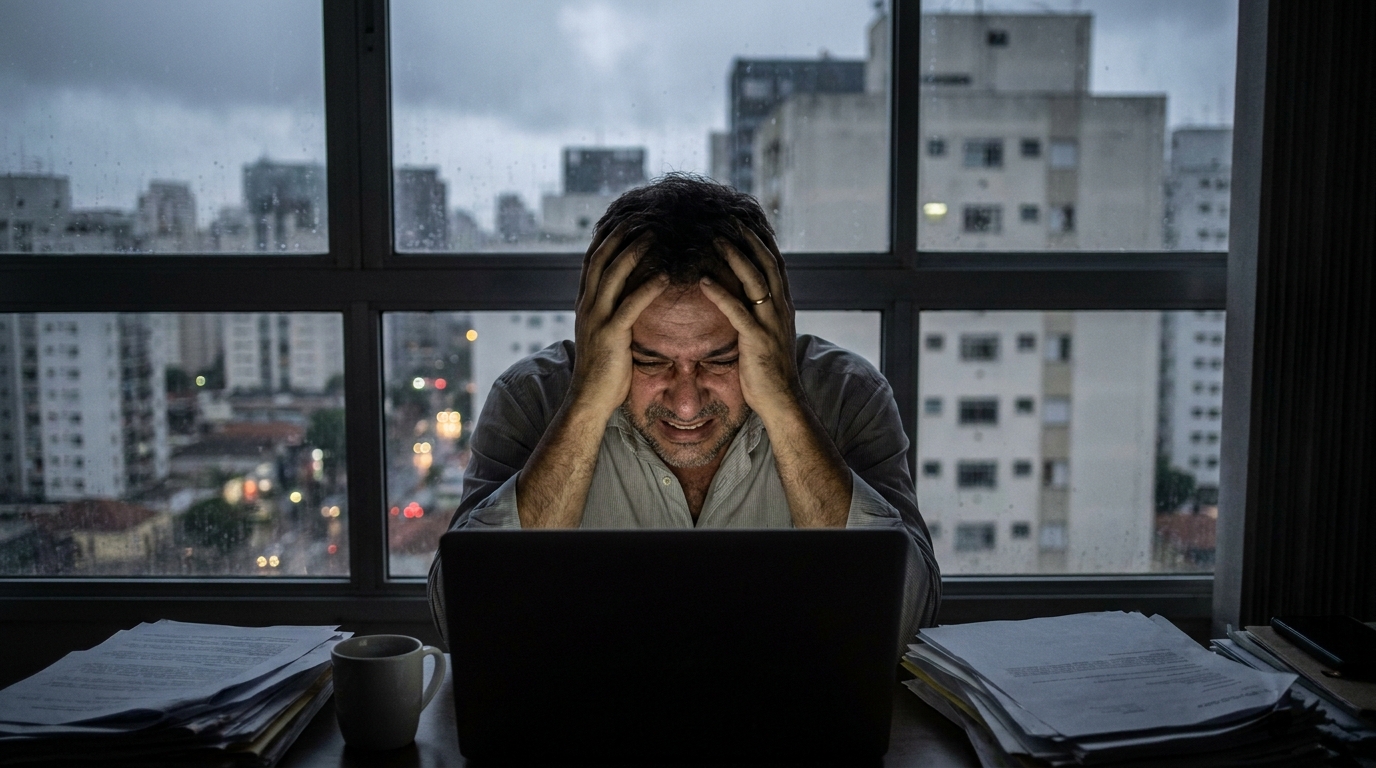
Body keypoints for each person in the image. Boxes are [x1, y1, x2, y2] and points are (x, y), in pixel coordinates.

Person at [428, 173, 940, 649]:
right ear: (598, 335)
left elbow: (904, 623)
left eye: (722, 359)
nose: (688, 402)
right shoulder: (529, 399)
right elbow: (465, 625)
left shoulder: (849, 395)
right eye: (649, 360)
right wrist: (585, 403)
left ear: (773, 330)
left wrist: (784, 401)